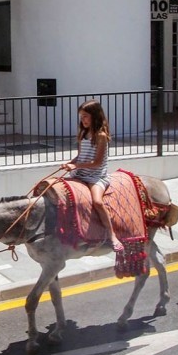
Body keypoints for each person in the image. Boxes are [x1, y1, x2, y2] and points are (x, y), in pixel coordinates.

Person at [60, 100, 124, 252]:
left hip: (96, 176)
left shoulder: (101, 136)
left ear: (95, 116)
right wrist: (70, 163)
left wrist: (76, 166)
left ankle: (112, 235)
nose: (82, 119)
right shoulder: (83, 133)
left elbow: (97, 162)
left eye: (85, 116)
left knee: (97, 202)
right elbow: (81, 156)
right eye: (81, 116)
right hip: (81, 173)